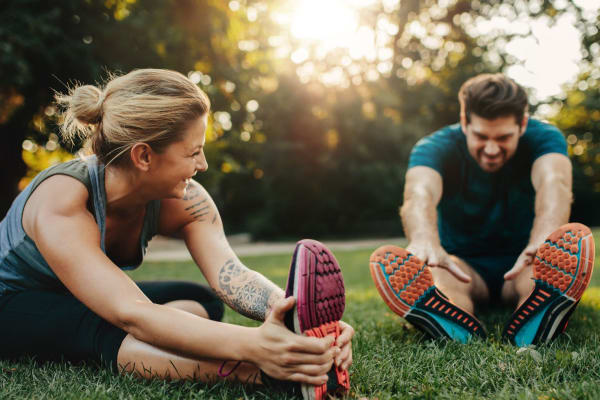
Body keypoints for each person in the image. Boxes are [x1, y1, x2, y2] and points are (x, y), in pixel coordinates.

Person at [0, 69, 353, 399]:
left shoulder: (185, 200)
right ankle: (266, 375)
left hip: (79, 299)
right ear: (144, 156)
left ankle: (266, 355)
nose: (203, 165)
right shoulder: (62, 199)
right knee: (112, 326)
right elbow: (129, 311)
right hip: (12, 301)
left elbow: (231, 276)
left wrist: (295, 319)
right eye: (193, 152)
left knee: (202, 301)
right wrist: (256, 347)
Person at [369, 73, 594, 346]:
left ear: (522, 124)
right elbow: (420, 192)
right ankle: (452, 319)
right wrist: (424, 240)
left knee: (537, 278)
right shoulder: (434, 147)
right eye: (480, 136)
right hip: (463, 265)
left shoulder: (544, 138)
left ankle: (539, 313)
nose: (490, 148)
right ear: (464, 122)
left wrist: (543, 240)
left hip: (523, 261)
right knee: (442, 279)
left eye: (503, 137)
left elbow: (553, 182)